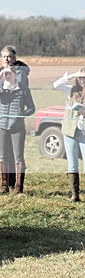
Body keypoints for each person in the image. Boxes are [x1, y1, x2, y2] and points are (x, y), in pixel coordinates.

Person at [0, 45, 31, 190]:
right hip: (2, 116)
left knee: (16, 154)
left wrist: (9, 76)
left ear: (14, 58)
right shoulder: (1, 70)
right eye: (4, 57)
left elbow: (20, 88)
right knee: (4, 153)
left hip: (15, 117)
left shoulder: (21, 72)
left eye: (9, 56)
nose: (7, 59)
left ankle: (17, 185)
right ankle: (6, 184)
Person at [53, 68, 85, 202]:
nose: (83, 80)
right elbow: (56, 85)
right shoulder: (70, 90)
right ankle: (75, 194)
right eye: (81, 77)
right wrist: (71, 75)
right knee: (72, 164)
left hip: (83, 132)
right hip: (69, 131)